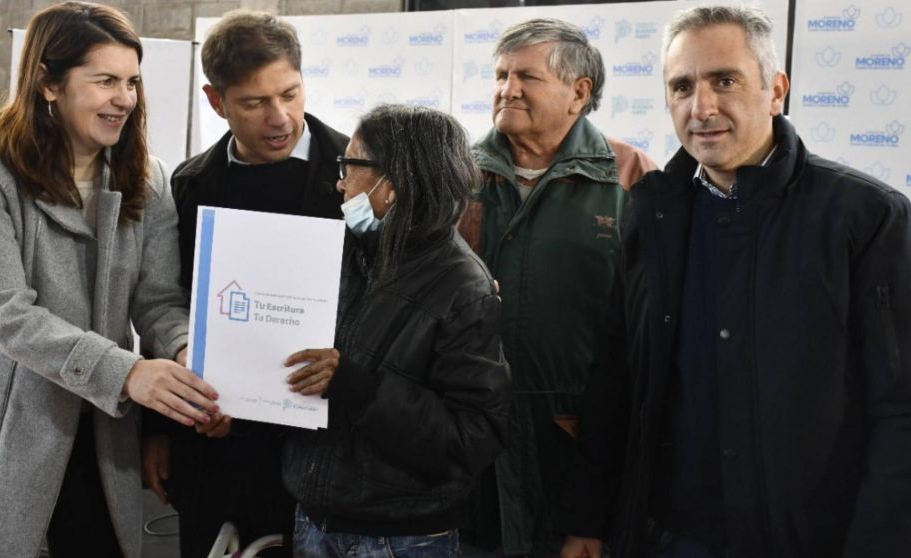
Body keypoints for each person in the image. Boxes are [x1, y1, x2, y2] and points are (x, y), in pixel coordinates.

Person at [563, 5, 911, 558]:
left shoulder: (867, 216)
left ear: (776, 92)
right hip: (666, 537)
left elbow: (900, 407)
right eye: (682, 87)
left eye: (724, 81)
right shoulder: (652, 211)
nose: (701, 108)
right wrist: (589, 517)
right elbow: (617, 375)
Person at [0, 2, 220, 558]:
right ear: (48, 84)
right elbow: (2, 310)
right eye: (105, 81)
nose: (124, 98)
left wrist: (186, 354)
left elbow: (158, 301)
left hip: (97, 417)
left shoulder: (148, 177)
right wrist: (128, 372)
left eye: (131, 82)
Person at [139, 10, 347, 558]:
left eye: (290, 94)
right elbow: (165, 303)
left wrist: (347, 367)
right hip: (216, 447)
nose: (279, 118)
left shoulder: (359, 176)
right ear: (216, 101)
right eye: (254, 103)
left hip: (329, 453)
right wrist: (158, 428)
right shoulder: (188, 187)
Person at [455, 18, 656, 557]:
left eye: (527, 77)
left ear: (579, 93)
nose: (507, 89)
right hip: (469, 443)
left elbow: (650, 325)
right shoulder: (457, 174)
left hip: (577, 448)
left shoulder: (630, 177)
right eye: (501, 75)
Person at [280, 104, 510, 558]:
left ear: (391, 186)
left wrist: (358, 387)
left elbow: (472, 437)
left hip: (402, 540)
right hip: (314, 522)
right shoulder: (337, 252)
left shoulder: (463, 287)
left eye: (350, 166)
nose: (340, 183)